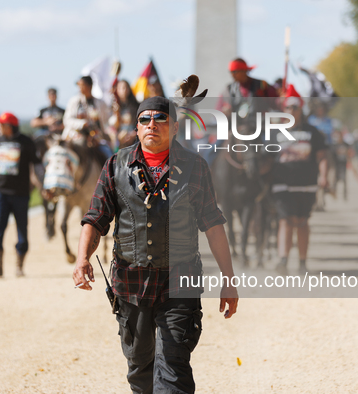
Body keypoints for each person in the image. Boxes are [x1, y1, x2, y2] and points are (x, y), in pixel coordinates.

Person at [72, 96, 238, 393]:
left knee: (173, 367)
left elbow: (213, 225)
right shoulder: (115, 165)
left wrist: (229, 279)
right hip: (130, 284)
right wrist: (82, 258)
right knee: (140, 367)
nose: (152, 124)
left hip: (180, 282)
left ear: (175, 127)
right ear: (136, 128)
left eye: (161, 119)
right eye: (145, 119)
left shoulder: (195, 166)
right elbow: (95, 218)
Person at [0, 112, 45, 277]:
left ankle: (19, 265)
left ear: (9, 126)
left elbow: (38, 166)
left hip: (21, 194)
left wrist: (44, 186)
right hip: (0, 192)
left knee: (22, 229)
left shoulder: (26, 142)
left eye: (1, 124)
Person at [270, 89, 328, 275]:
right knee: (285, 220)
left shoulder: (313, 132)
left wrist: (324, 175)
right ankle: (283, 260)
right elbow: (266, 158)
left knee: (302, 222)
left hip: (307, 183)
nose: (292, 110)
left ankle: (302, 263)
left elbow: (322, 157)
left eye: (295, 107)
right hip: (282, 183)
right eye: (288, 107)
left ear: (301, 109)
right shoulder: (274, 133)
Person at [63, 76, 112, 159]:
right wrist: (83, 123)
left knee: (109, 154)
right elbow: (67, 120)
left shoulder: (100, 103)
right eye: (79, 85)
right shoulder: (74, 101)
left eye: (82, 85)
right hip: (75, 136)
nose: (80, 88)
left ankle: (111, 171)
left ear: (90, 86)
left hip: (96, 138)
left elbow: (106, 121)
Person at [111, 79, 140, 149]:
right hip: (120, 138)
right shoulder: (114, 106)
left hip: (134, 136)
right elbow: (115, 126)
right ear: (117, 90)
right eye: (121, 88)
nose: (124, 90)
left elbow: (140, 123)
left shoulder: (136, 106)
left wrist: (133, 135)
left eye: (126, 87)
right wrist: (117, 114)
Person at [331, 129, 350, 201]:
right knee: (335, 181)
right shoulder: (334, 145)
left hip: (343, 164)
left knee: (344, 181)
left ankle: (345, 196)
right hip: (336, 165)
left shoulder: (345, 144)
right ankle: (334, 194)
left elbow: (349, 153)